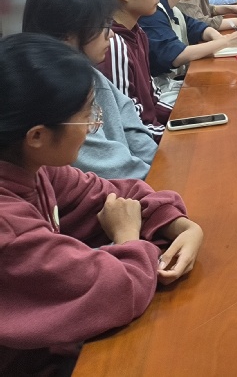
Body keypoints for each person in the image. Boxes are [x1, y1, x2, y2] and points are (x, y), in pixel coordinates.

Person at [0, 34, 203, 375]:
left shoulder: (35, 168)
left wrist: (182, 225)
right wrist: (128, 237)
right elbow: (114, 293)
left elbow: (114, 196)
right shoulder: (10, 228)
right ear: (37, 136)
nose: (93, 125)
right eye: (86, 115)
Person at [22, 0, 158, 179]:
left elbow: (131, 124)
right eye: (103, 26)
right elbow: (104, 165)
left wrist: (160, 166)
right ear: (67, 35)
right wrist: (156, 178)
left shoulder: (89, 72)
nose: (111, 35)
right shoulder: (52, 90)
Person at [81, 0, 171, 141]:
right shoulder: (113, 44)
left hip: (152, 136)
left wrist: (184, 117)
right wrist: (175, 137)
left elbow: (152, 100)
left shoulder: (138, 33)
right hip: (141, 147)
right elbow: (127, 124)